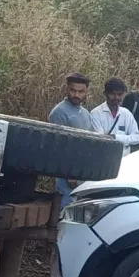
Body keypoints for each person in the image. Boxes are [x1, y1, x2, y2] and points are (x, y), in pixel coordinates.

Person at [49, 72, 94, 210]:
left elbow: (89, 142)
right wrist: (69, 171)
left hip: (82, 172)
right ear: (67, 89)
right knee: (65, 211)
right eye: (73, 90)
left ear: (86, 92)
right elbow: (57, 145)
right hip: (67, 175)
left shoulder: (85, 113)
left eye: (81, 91)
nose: (77, 95)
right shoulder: (59, 112)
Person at [91, 78, 139, 156]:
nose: (116, 97)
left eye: (119, 94)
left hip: (124, 160)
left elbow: (137, 137)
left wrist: (115, 137)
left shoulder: (126, 114)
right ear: (105, 93)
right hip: (104, 158)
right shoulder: (96, 113)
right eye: (112, 94)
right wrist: (125, 138)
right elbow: (100, 140)